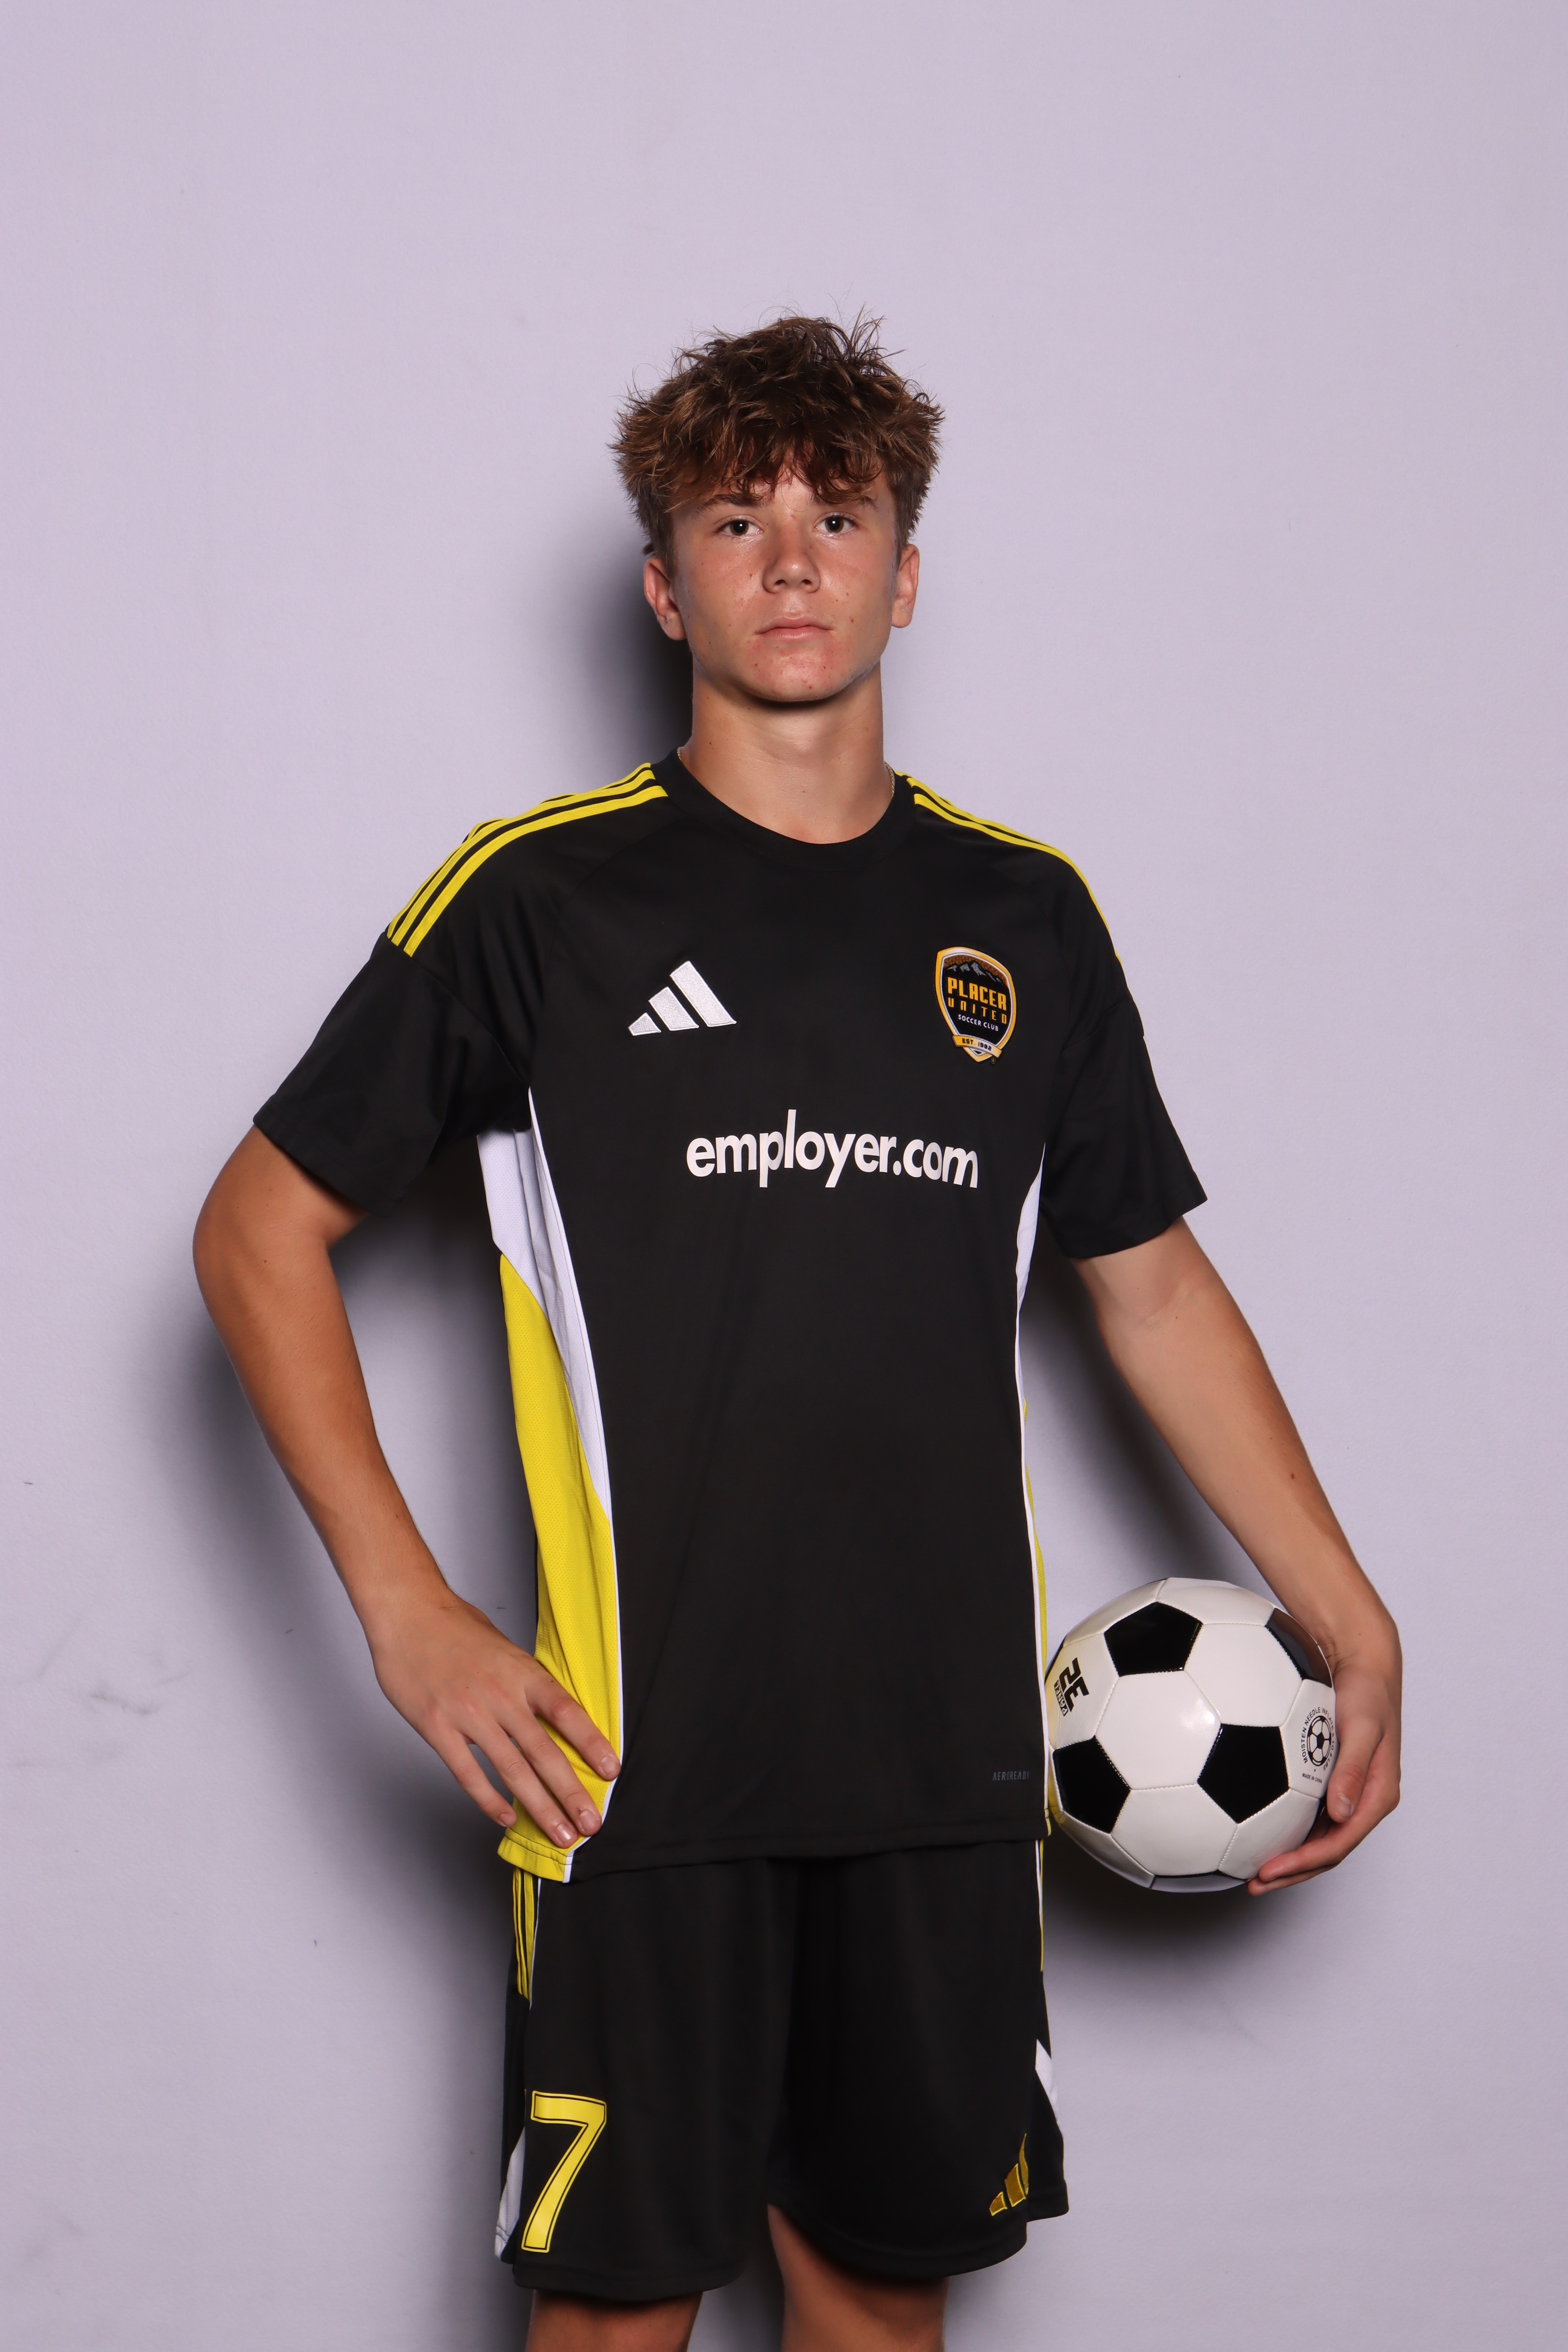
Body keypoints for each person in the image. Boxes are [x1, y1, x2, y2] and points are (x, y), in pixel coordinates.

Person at [195, 316, 1402, 2352]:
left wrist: (1347, 1614)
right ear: (663, 586)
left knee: (873, 2305)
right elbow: (255, 1230)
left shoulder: (1025, 917)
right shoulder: (540, 901)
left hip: (945, 1763)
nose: (788, 561)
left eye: (836, 519)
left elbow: (1150, 1282)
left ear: (904, 576)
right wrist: (407, 1610)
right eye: (733, 520)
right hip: (633, 1768)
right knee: (616, 2316)